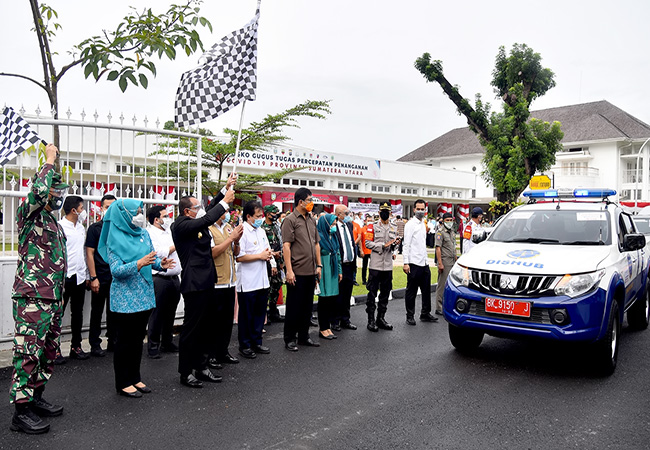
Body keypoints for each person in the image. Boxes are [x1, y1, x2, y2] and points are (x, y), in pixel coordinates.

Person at [9, 144, 68, 434]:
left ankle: (35, 399)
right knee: (28, 354)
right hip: (32, 298)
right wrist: (49, 160)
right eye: (56, 190)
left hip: (52, 298)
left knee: (47, 352)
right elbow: (39, 192)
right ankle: (20, 413)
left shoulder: (52, 222)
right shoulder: (28, 213)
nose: (58, 195)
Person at [98, 199, 174, 398]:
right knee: (124, 341)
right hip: (125, 298)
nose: (139, 216)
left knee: (138, 339)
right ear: (123, 215)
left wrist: (160, 264)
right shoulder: (114, 239)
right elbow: (116, 271)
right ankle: (123, 382)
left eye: (140, 211)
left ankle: (135, 377)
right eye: (136, 212)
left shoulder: (143, 234)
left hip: (144, 294)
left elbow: (151, 258)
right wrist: (139, 263)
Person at [171, 174, 235, 388]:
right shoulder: (180, 225)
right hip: (194, 285)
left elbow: (207, 212)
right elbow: (207, 218)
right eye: (196, 207)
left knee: (207, 328)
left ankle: (202, 366)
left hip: (209, 282)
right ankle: (186, 371)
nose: (201, 209)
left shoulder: (197, 221)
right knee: (191, 330)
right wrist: (225, 202)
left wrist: (224, 190)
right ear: (186, 211)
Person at [282, 188, 322, 351]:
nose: (312, 203)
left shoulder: (311, 219)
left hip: (311, 270)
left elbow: (316, 244)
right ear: (300, 202)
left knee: (307, 306)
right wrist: (289, 271)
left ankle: (304, 336)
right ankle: (290, 338)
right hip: (297, 271)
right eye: (309, 200)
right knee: (294, 307)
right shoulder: (290, 220)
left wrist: (319, 265)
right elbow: (286, 246)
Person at [235, 201, 273, 358]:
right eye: (257, 216)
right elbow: (239, 256)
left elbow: (266, 248)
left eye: (261, 216)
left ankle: (257, 342)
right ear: (248, 216)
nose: (260, 219)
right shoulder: (242, 232)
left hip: (262, 279)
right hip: (248, 281)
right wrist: (260, 256)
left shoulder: (261, 231)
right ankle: (245, 345)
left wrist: (270, 255)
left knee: (259, 313)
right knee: (247, 315)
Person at [146, 206, 182, 359]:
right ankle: (153, 345)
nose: (168, 219)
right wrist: (177, 245)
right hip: (159, 278)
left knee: (170, 312)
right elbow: (158, 252)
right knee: (157, 313)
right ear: (156, 219)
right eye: (165, 216)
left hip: (174, 277)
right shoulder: (150, 233)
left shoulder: (169, 232)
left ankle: (167, 341)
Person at [208, 209, 243, 366]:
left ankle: (224, 351)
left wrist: (236, 241)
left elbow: (235, 253)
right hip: (217, 281)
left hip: (230, 280)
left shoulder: (228, 226)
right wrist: (231, 239)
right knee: (214, 321)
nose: (228, 212)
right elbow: (212, 252)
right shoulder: (209, 228)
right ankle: (211, 355)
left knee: (227, 321)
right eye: (225, 210)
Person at [85, 194, 117, 357]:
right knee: (97, 311)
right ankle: (95, 344)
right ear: (102, 208)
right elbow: (89, 253)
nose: (110, 210)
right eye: (107, 207)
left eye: (113, 207)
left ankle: (112, 341)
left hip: (117, 277)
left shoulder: (119, 228)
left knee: (115, 311)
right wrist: (93, 277)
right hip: (100, 276)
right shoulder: (95, 229)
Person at [59, 195, 89, 362]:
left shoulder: (81, 228)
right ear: (73, 210)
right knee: (58, 314)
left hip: (79, 276)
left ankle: (76, 347)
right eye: (81, 208)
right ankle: (53, 349)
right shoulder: (60, 227)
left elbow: (82, 253)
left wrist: (86, 274)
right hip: (64, 277)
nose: (83, 211)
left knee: (77, 313)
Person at [365, 202, 399, 332]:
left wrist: (395, 245)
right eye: (383, 211)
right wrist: (382, 246)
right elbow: (368, 243)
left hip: (388, 266)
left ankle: (381, 318)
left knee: (385, 293)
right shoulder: (372, 226)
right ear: (379, 212)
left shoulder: (393, 227)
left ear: (390, 213)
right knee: (372, 293)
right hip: (376, 265)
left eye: (387, 211)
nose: (385, 214)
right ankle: (371, 320)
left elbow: (394, 247)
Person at [402, 199, 438, 325]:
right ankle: (410, 315)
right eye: (418, 209)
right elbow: (406, 244)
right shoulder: (410, 224)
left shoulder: (423, 223)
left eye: (423, 209)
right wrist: (406, 262)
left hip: (424, 262)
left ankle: (425, 313)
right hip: (414, 262)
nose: (421, 211)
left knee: (426, 290)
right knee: (411, 291)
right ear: (414, 209)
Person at [316, 214, 342, 340]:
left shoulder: (333, 237)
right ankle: (323, 328)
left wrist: (339, 271)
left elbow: (337, 254)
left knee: (331, 300)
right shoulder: (319, 237)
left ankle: (328, 327)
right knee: (324, 301)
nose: (334, 227)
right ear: (325, 224)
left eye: (335, 224)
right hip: (324, 270)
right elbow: (316, 256)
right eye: (332, 224)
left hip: (332, 271)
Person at [332, 205, 358, 331]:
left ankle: (345, 319)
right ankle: (335, 321)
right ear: (338, 215)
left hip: (349, 265)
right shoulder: (333, 227)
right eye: (346, 213)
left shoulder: (349, 225)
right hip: (340, 266)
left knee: (347, 293)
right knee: (338, 294)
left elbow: (351, 243)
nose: (348, 215)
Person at [261, 205, 285, 323]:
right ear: (267, 214)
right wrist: (273, 255)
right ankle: (265, 315)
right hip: (267, 262)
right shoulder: (262, 228)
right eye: (273, 213)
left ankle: (273, 311)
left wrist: (280, 261)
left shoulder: (276, 226)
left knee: (276, 286)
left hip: (278, 260)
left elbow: (280, 242)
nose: (275, 215)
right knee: (267, 289)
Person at [435, 212, 458, 315]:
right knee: (442, 284)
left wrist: (456, 258)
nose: (449, 222)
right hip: (445, 261)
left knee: (451, 285)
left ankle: (447, 306)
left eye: (450, 220)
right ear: (443, 221)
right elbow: (438, 248)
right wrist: (440, 263)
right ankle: (439, 307)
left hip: (452, 261)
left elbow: (453, 246)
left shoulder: (452, 232)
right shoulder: (440, 232)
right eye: (447, 220)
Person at [359, 216, 373, 285]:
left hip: (372, 251)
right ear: (365, 221)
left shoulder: (373, 229)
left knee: (372, 266)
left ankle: (371, 280)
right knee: (364, 266)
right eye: (368, 220)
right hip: (365, 251)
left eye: (371, 220)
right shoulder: (362, 229)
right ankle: (364, 280)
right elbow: (360, 241)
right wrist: (361, 250)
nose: (370, 221)